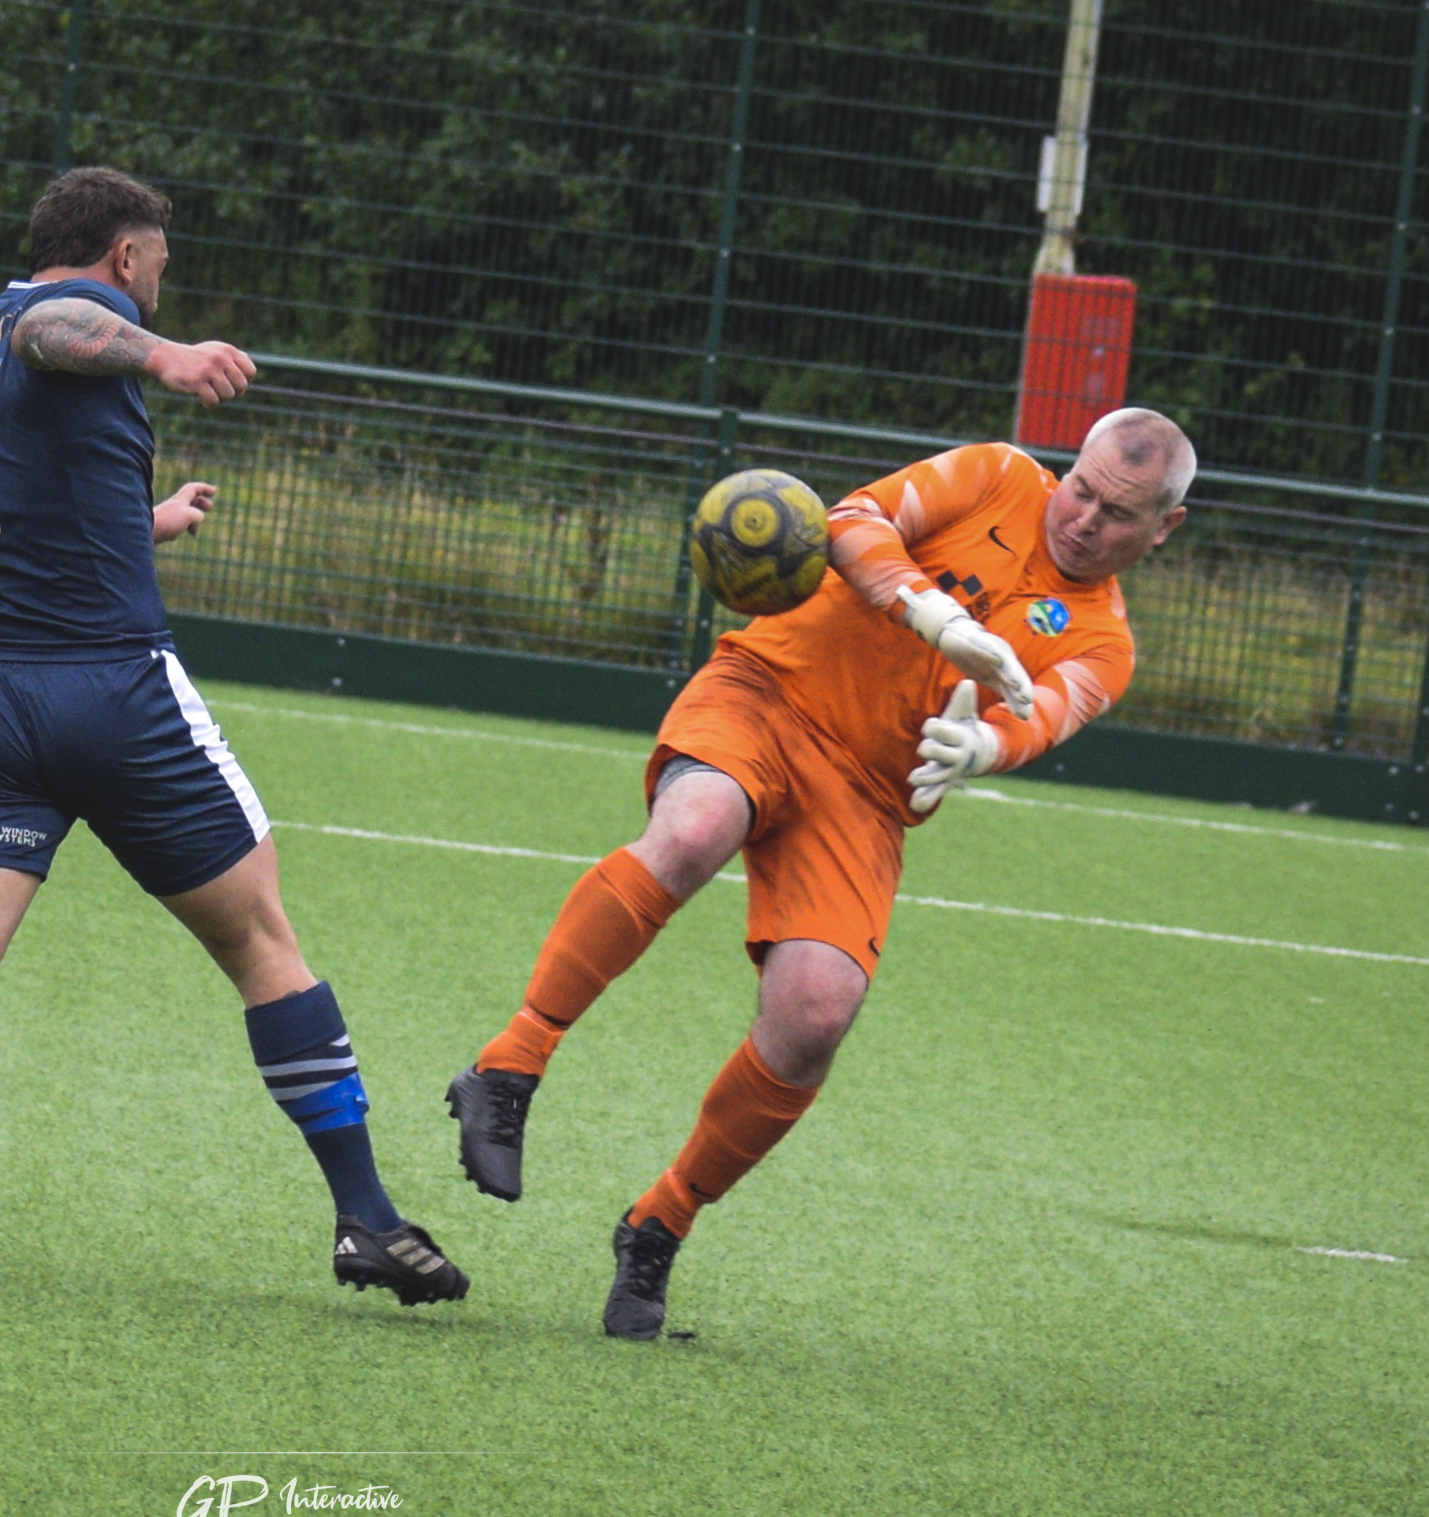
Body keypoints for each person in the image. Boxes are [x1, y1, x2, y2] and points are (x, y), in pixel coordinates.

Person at [0, 166, 471, 1308]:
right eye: (157, 269)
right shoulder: (70, 320)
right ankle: (365, 1213)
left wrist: (145, 522)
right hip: (112, 693)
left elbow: (18, 495)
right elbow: (59, 326)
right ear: (126, 258)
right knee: (261, 942)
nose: (157, 289)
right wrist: (167, 354)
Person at [444, 408, 1196, 1338]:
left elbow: (1040, 715)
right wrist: (933, 613)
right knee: (695, 828)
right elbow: (852, 522)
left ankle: (658, 1224)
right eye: (1080, 486)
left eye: (1117, 513)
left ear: (1165, 528)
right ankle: (510, 1067)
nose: (1083, 517)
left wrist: (978, 751)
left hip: (869, 794)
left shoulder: (1105, 644)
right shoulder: (995, 473)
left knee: (815, 1016)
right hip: (769, 691)